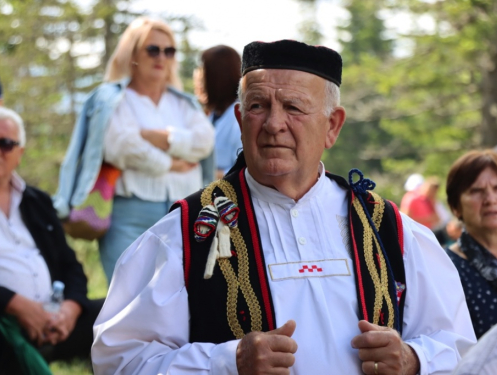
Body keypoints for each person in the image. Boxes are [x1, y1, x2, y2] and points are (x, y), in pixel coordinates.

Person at [92, 40, 475, 374]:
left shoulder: (390, 228)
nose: (274, 123)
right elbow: (120, 361)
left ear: (332, 127)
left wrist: (414, 360)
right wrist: (228, 362)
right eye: (258, 106)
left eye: (294, 107)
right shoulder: (183, 234)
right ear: (241, 120)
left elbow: (463, 350)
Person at [54, 17, 215, 283]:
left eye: (169, 50)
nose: (161, 57)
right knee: (129, 306)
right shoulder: (113, 99)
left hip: (185, 217)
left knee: (181, 304)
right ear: (133, 54)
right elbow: (121, 147)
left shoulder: (184, 103)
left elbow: (204, 142)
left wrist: (157, 137)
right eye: (153, 49)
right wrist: (171, 163)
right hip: (128, 216)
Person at [0, 107, 103, 374]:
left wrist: (71, 308)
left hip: (56, 319)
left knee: (121, 317)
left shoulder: (37, 202)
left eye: (5, 143)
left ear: (19, 153)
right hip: (4, 322)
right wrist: (14, 304)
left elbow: (71, 266)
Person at [445, 150, 497, 339]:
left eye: (496, 188)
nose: (490, 200)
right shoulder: (446, 268)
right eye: (477, 191)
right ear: (455, 206)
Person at [194, 45, 243, 180]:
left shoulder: (238, 118)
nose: (198, 76)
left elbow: (243, 171)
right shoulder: (213, 115)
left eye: (202, 70)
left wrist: (198, 173)